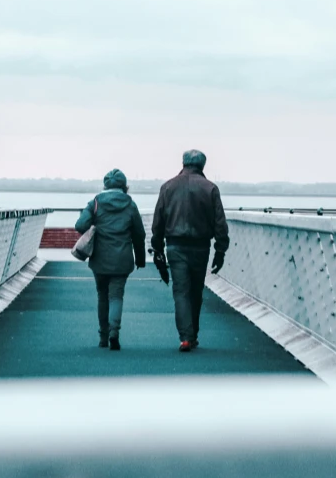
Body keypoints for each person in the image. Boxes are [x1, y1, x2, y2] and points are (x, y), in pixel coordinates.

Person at [151, 149, 229, 353]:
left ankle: (185, 337)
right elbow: (220, 223)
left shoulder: (167, 187)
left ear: (183, 163)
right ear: (202, 165)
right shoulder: (210, 188)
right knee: (196, 291)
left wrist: (157, 248)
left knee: (181, 291)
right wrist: (220, 250)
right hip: (201, 246)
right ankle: (192, 335)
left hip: (175, 246)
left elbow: (158, 221)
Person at [75, 169, 146, 351]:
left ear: (105, 185)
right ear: (124, 186)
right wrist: (140, 259)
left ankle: (103, 337)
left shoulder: (96, 202)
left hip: (100, 258)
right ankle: (115, 333)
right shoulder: (130, 204)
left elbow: (80, 225)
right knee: (116, 296)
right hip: (122, 259)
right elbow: (139, 234)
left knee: (102, 296)